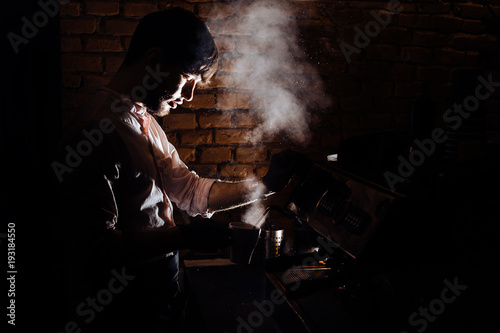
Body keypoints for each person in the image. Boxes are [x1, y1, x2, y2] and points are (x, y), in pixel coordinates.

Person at [54, 7, 309, 333]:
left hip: (161, 305)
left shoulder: (142, 120)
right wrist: (185, 235)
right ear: (154, 60)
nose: (188, 97)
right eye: (187, 79)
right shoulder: (96, 132)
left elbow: (190, 190)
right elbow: (97, 250)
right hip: (122, 317)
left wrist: (267, 184)